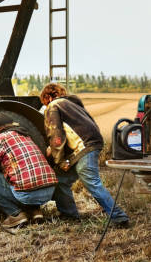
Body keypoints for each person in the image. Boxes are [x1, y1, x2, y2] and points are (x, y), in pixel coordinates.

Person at [40, 83, 130, 227]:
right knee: (61, 180)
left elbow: (56, 135)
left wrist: (58, 159)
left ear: (48, 97)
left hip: (84, 147)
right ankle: (70, 214)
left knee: (93, 184)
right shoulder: (73, 104)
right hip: (91, 144)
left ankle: (119, 217)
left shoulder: (54, 106)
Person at [0, 113, 58, 228]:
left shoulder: (0, 137)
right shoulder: (26, 136)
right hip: (49, 191)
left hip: (28, 194)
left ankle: (15, 214)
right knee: (25, 175)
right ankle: (35, 211)